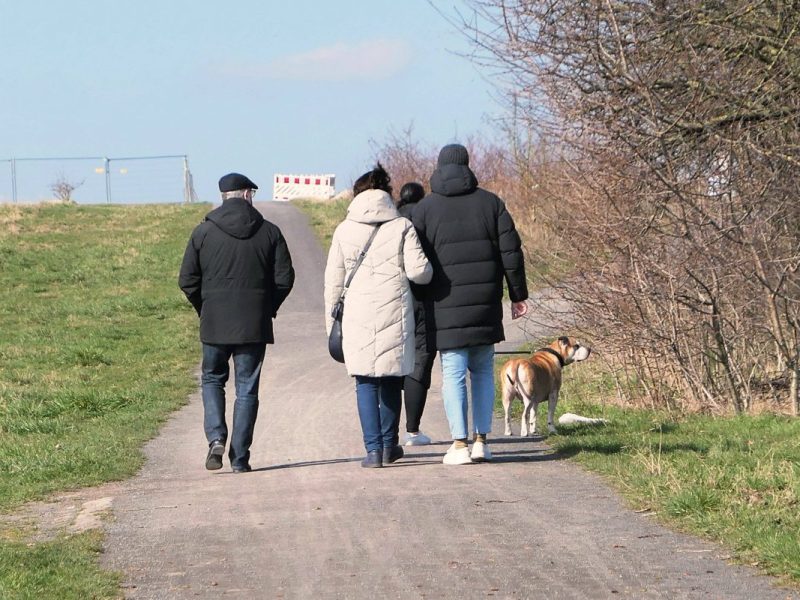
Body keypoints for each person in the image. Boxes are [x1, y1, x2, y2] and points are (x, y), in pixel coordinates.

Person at [412, 144, 529, 465]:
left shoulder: (425, 209)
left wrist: (417, 301)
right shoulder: (491, 203)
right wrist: (518, 294)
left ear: (438, 167)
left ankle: (459, 444)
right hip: (484, 304)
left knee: (452, 375)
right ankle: (482, 441)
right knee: (482, 373)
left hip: (444, 306)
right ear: (467, 166)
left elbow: (414, 260)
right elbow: (511, 253)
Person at [179, 173, 295, 473]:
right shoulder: (270, 232)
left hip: (215, 322)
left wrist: (204, 308)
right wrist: (267, 307)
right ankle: (240, 457)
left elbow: (187, 280)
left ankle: (216, 437)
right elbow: (285, 279)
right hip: (253, 325)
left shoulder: (203, 232)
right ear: (245, 194)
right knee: (247, 389)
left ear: (223, 196)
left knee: (212, 380)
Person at [324, 164, 432, 468]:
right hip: (394, 313)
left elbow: (333, 282)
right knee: (390, 380)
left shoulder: (344, 230)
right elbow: (420, 273)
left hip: (357, 316)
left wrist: (331, 325)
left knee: (365, 383)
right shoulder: (402, 227)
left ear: (357, 195)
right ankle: (388, 446)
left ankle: (373, 452)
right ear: (386, 194)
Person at [396, 182, 435, 446]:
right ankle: (412, 431)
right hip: (423, 297)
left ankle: (386, 432)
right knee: (419, 360)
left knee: (391, 360)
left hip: (392, 297)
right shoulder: (427, 218)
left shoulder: (391, 220)